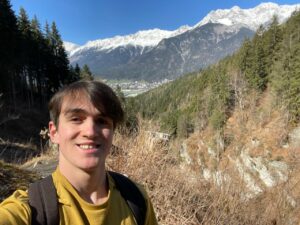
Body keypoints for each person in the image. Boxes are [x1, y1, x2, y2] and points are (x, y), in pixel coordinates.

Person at [0, 80, 158, 225]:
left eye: (102, 121)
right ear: (54, 132)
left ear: (112, 133)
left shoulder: (136, 199)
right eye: (76, 119)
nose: (90, 132)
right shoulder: (32, 209)